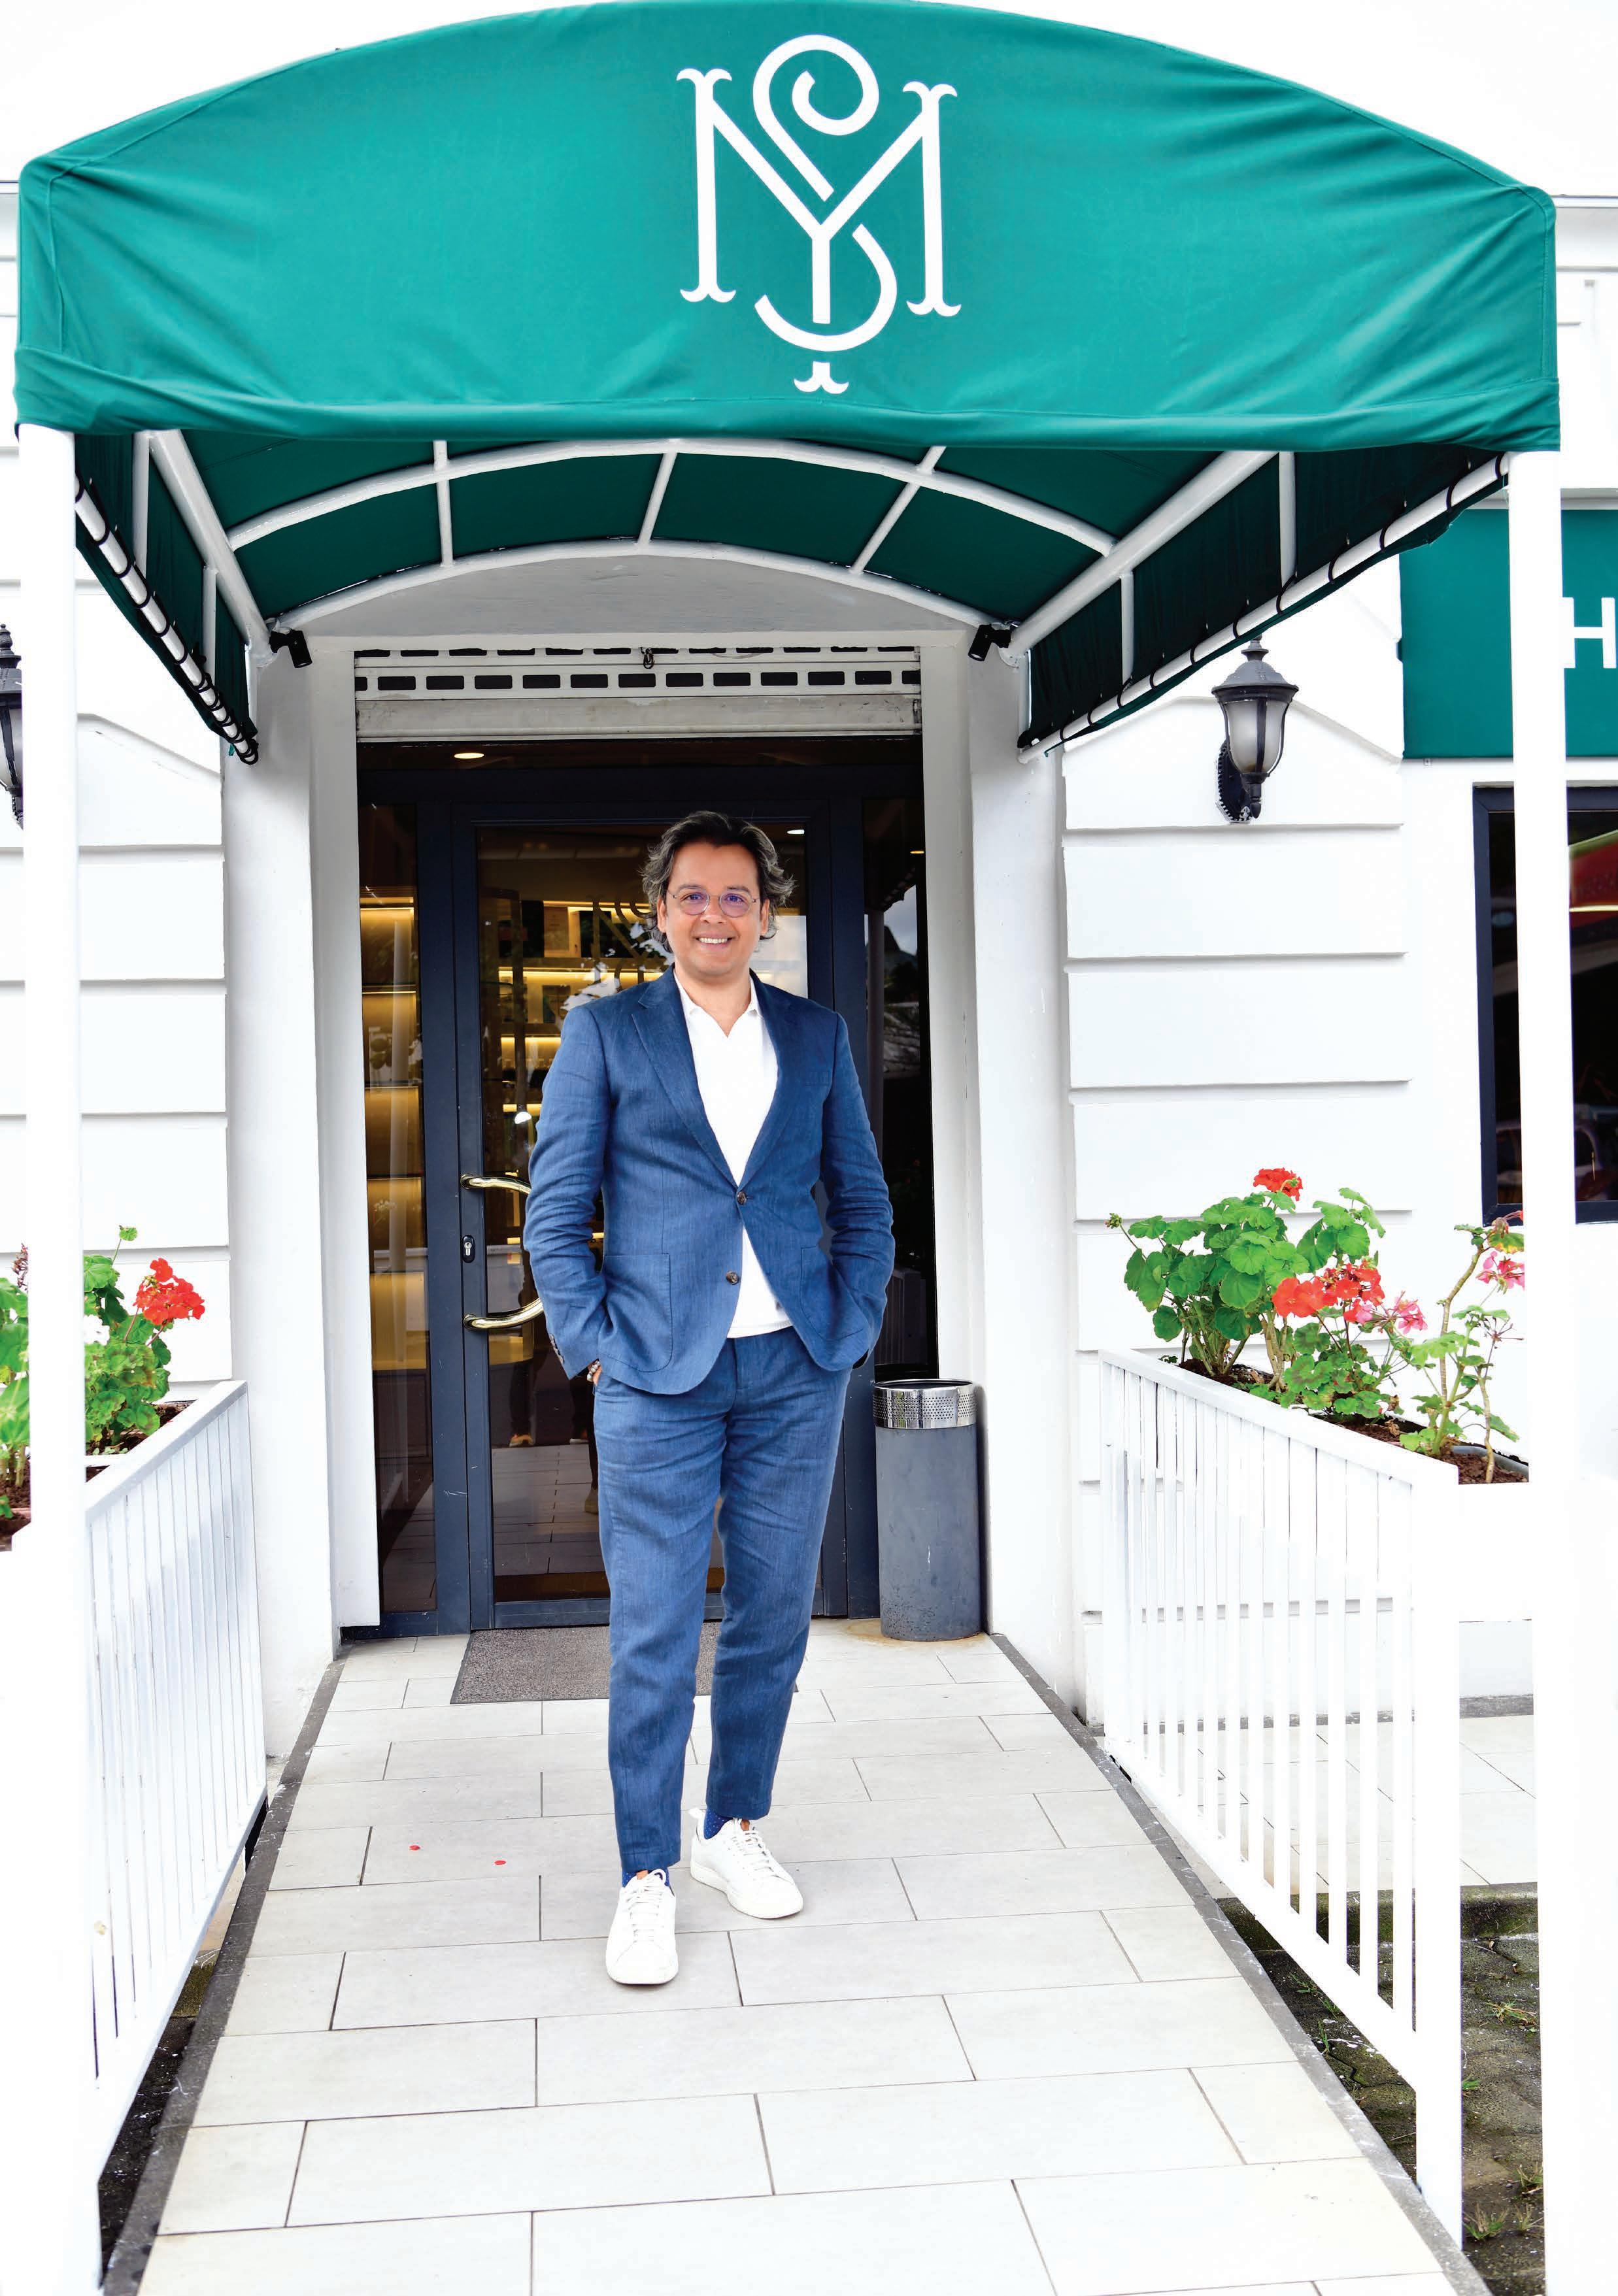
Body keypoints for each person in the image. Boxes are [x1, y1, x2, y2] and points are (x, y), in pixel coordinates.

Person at [525, 812, 894, 1984]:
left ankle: (732, 1825)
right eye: (693, 895)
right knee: (654, 1630)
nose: (715, 915)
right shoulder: (606, 1031)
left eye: (737, 896)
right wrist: (595, 1349)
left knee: (774, 1614)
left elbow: (863, 1199)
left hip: (794, 1367)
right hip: (655, 1377)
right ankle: (646, 1873)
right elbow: (554, 1210)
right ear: (660, 911)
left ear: (766, 915)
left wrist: (848, 1329)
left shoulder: (818, 1034)